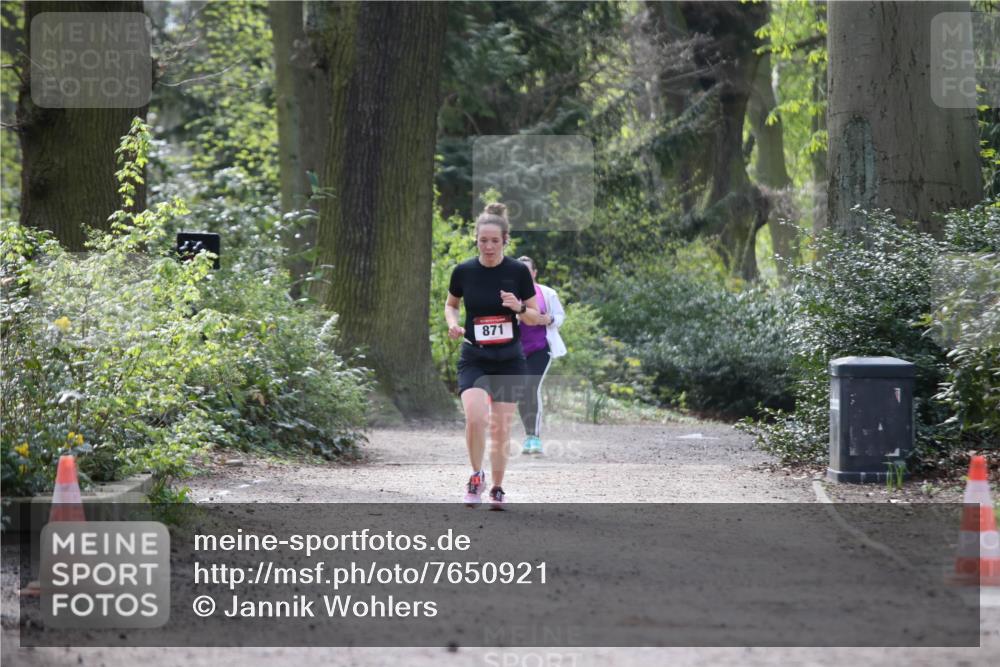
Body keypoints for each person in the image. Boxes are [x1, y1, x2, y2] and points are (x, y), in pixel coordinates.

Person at [445, 203, 545, 509]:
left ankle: (498, 487)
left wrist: (517, 307)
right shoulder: (463, 271)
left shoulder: (517, 272)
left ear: (505, 241)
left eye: (495, 241)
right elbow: (451, 304)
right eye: (483, 240)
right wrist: (453, 324)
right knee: (475, 418)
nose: (488, 246)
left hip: (509, 358)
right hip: (474, 355)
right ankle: (476, 476)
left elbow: (535, 317)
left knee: (501, 426)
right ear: (475, 239)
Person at [514, 256, 566, 455]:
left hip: (541, 348)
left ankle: (534, 437)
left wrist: (549, 318)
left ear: (534, 273)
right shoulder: (511, 295)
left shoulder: (547, 293)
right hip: (516, 351)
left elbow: (560, 317)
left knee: (530, 387)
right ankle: (529, 436)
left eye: (528, 271)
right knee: (521, 391)